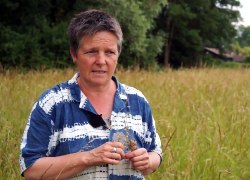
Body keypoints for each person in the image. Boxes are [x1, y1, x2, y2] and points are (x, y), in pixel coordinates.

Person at [19, 9, 162, 179]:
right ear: (74, 54)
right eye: (91, 52)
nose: (101, 61)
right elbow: (31, 169)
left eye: (109, 52)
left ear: (118, 55)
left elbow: (156, 153)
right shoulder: (52, 104)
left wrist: (148, 161)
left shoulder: (137, 100)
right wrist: (89, 157)